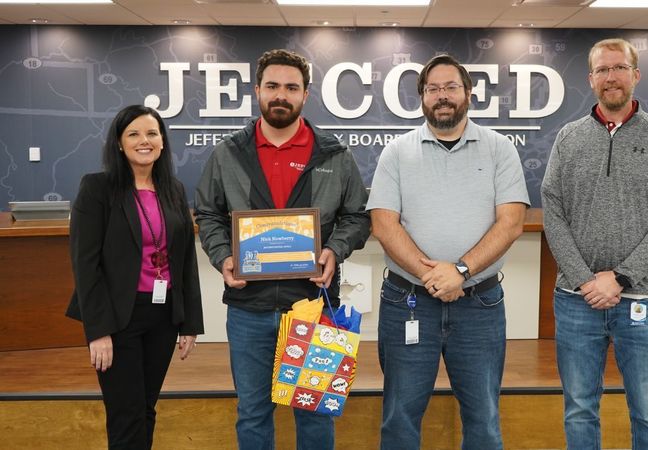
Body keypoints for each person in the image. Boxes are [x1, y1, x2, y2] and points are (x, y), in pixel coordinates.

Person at [194, 48, 370, 450]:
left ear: (305, 94)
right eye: (272, 86)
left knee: (314, 412)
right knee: (252, 413)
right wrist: (223, 256)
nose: (281, 95)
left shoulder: (335, 155)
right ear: (257, 90)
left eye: (291, 87)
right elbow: (208, 213)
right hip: (248, 310)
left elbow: (357, 217)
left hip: (313, 305)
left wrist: (334, 251)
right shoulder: (228, 153)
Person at [367, 54, 530, 450]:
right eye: (433, 89)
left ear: (469, 94)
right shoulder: (397, 152)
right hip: (407, 302)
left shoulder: (499, 149)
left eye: (451, 87)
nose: (442, 96)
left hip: (480, 306)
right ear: (422, 97)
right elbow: (384, 225)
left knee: (484, 419)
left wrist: (459, 270)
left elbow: (510, 223)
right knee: (400, 417)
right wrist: (433, 276)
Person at [541, 38, 648, 450]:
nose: (611, 77)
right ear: (591, 79)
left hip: (643, 298)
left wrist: (621, 277)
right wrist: (585, 279)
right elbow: (553, 210)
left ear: (635, 75)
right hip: (576, 300)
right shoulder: (569, 138)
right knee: (579, 409)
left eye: (619, 68)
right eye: (603, 70)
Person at [66, 104, 204, 449]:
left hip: (162, 316)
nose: (145, 141)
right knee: (125, 413)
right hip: (116, 319)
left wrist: (189, 323)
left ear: (162, 141)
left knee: (145, 408)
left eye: (152, 133)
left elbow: (185, 259)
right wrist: (97, 331)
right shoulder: (97, 188)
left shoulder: (172, 188)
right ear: (118, 143)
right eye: (134, 134)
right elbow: (85, 264)